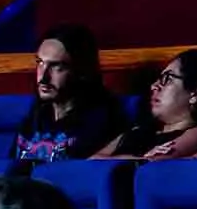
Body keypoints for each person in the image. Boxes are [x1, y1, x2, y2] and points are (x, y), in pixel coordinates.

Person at [11, 24, 121, 166]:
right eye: (40, 63)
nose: (43, 78)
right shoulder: (33, 119)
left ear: (81, 71)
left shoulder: (100, 123)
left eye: (57, 66)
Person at [92, 50, 197, 160]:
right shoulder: (136, 131)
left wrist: (113, 160)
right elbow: (91, 161)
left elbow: (152, 165)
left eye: (167, 79)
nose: (154, 86)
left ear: (196, 93)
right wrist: (137, 158)